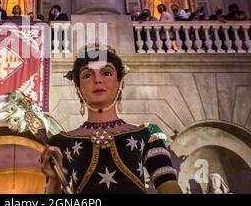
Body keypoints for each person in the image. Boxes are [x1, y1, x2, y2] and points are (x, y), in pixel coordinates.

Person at [41, 44, 182, 194]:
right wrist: (55, 181)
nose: (97, 80)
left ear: (120, 83)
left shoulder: (148, 134)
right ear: (78, 87)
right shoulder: (60, 143)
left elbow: (169, 186)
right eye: (87, 75)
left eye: (106, 73)